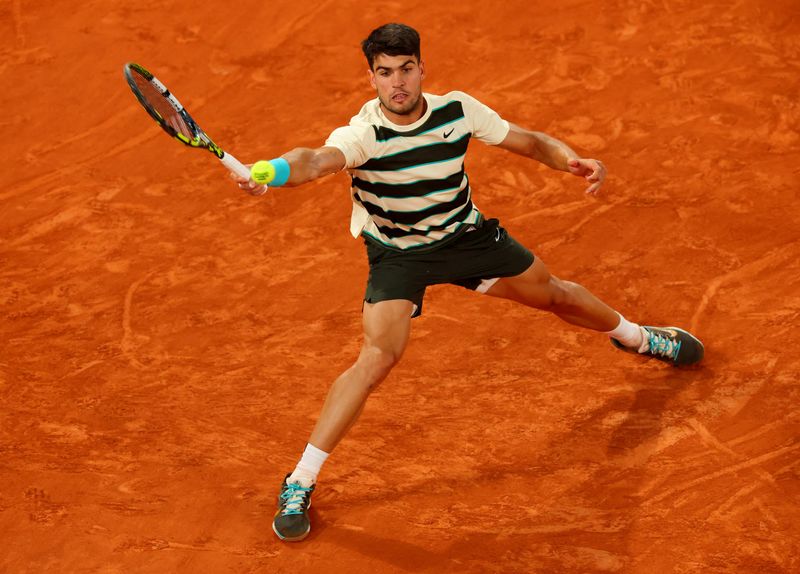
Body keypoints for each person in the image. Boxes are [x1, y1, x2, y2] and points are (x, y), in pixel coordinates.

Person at [233, 23, 704, 542]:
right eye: (385, 73)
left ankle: (637, 337)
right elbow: (314, 161)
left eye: (406, 70)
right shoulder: (363, 134)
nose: (398, 84)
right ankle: (300, 480)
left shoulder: (457, 110)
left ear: (421, 69)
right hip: (399, 255)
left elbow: (527, 140)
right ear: (370, 78)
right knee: (377, 357)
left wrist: (570, 159)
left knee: (554, 294)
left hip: (465, 239)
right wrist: (268, 173)